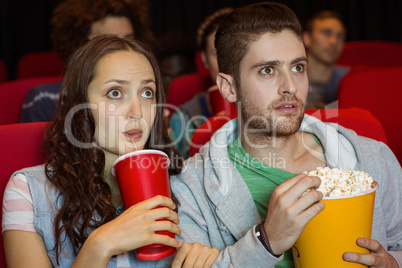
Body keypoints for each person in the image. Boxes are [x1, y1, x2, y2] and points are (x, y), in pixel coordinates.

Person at [159, 2, 402, 267]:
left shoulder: (373, 158)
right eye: (267, 70)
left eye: (298, 67)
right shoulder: (190, 191)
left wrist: (394, 264)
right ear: (229, 88)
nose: (290, 86)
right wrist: (266, 241)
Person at [3, 35, 219, 267]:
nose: (136, 111)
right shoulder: (29, 192)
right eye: (115, 92)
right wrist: (99, 246)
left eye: (147, 93)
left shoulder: (185, 185)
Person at [20, 0, 156, 123]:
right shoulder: (44, 99)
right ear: (79, 46)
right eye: (107, 42)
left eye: (128, 40)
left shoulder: (145, 95)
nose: (122, 49)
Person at [168, 7, 234, 159]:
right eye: (217, 54)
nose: (228, 62)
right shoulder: (183, 119)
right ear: (204, 59)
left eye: (234, 51)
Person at [303, 10, 349, 109]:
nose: (334, 41)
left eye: (340, 36)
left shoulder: (351, 80)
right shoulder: (287, 80)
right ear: (307, 38)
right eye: (326, 33)